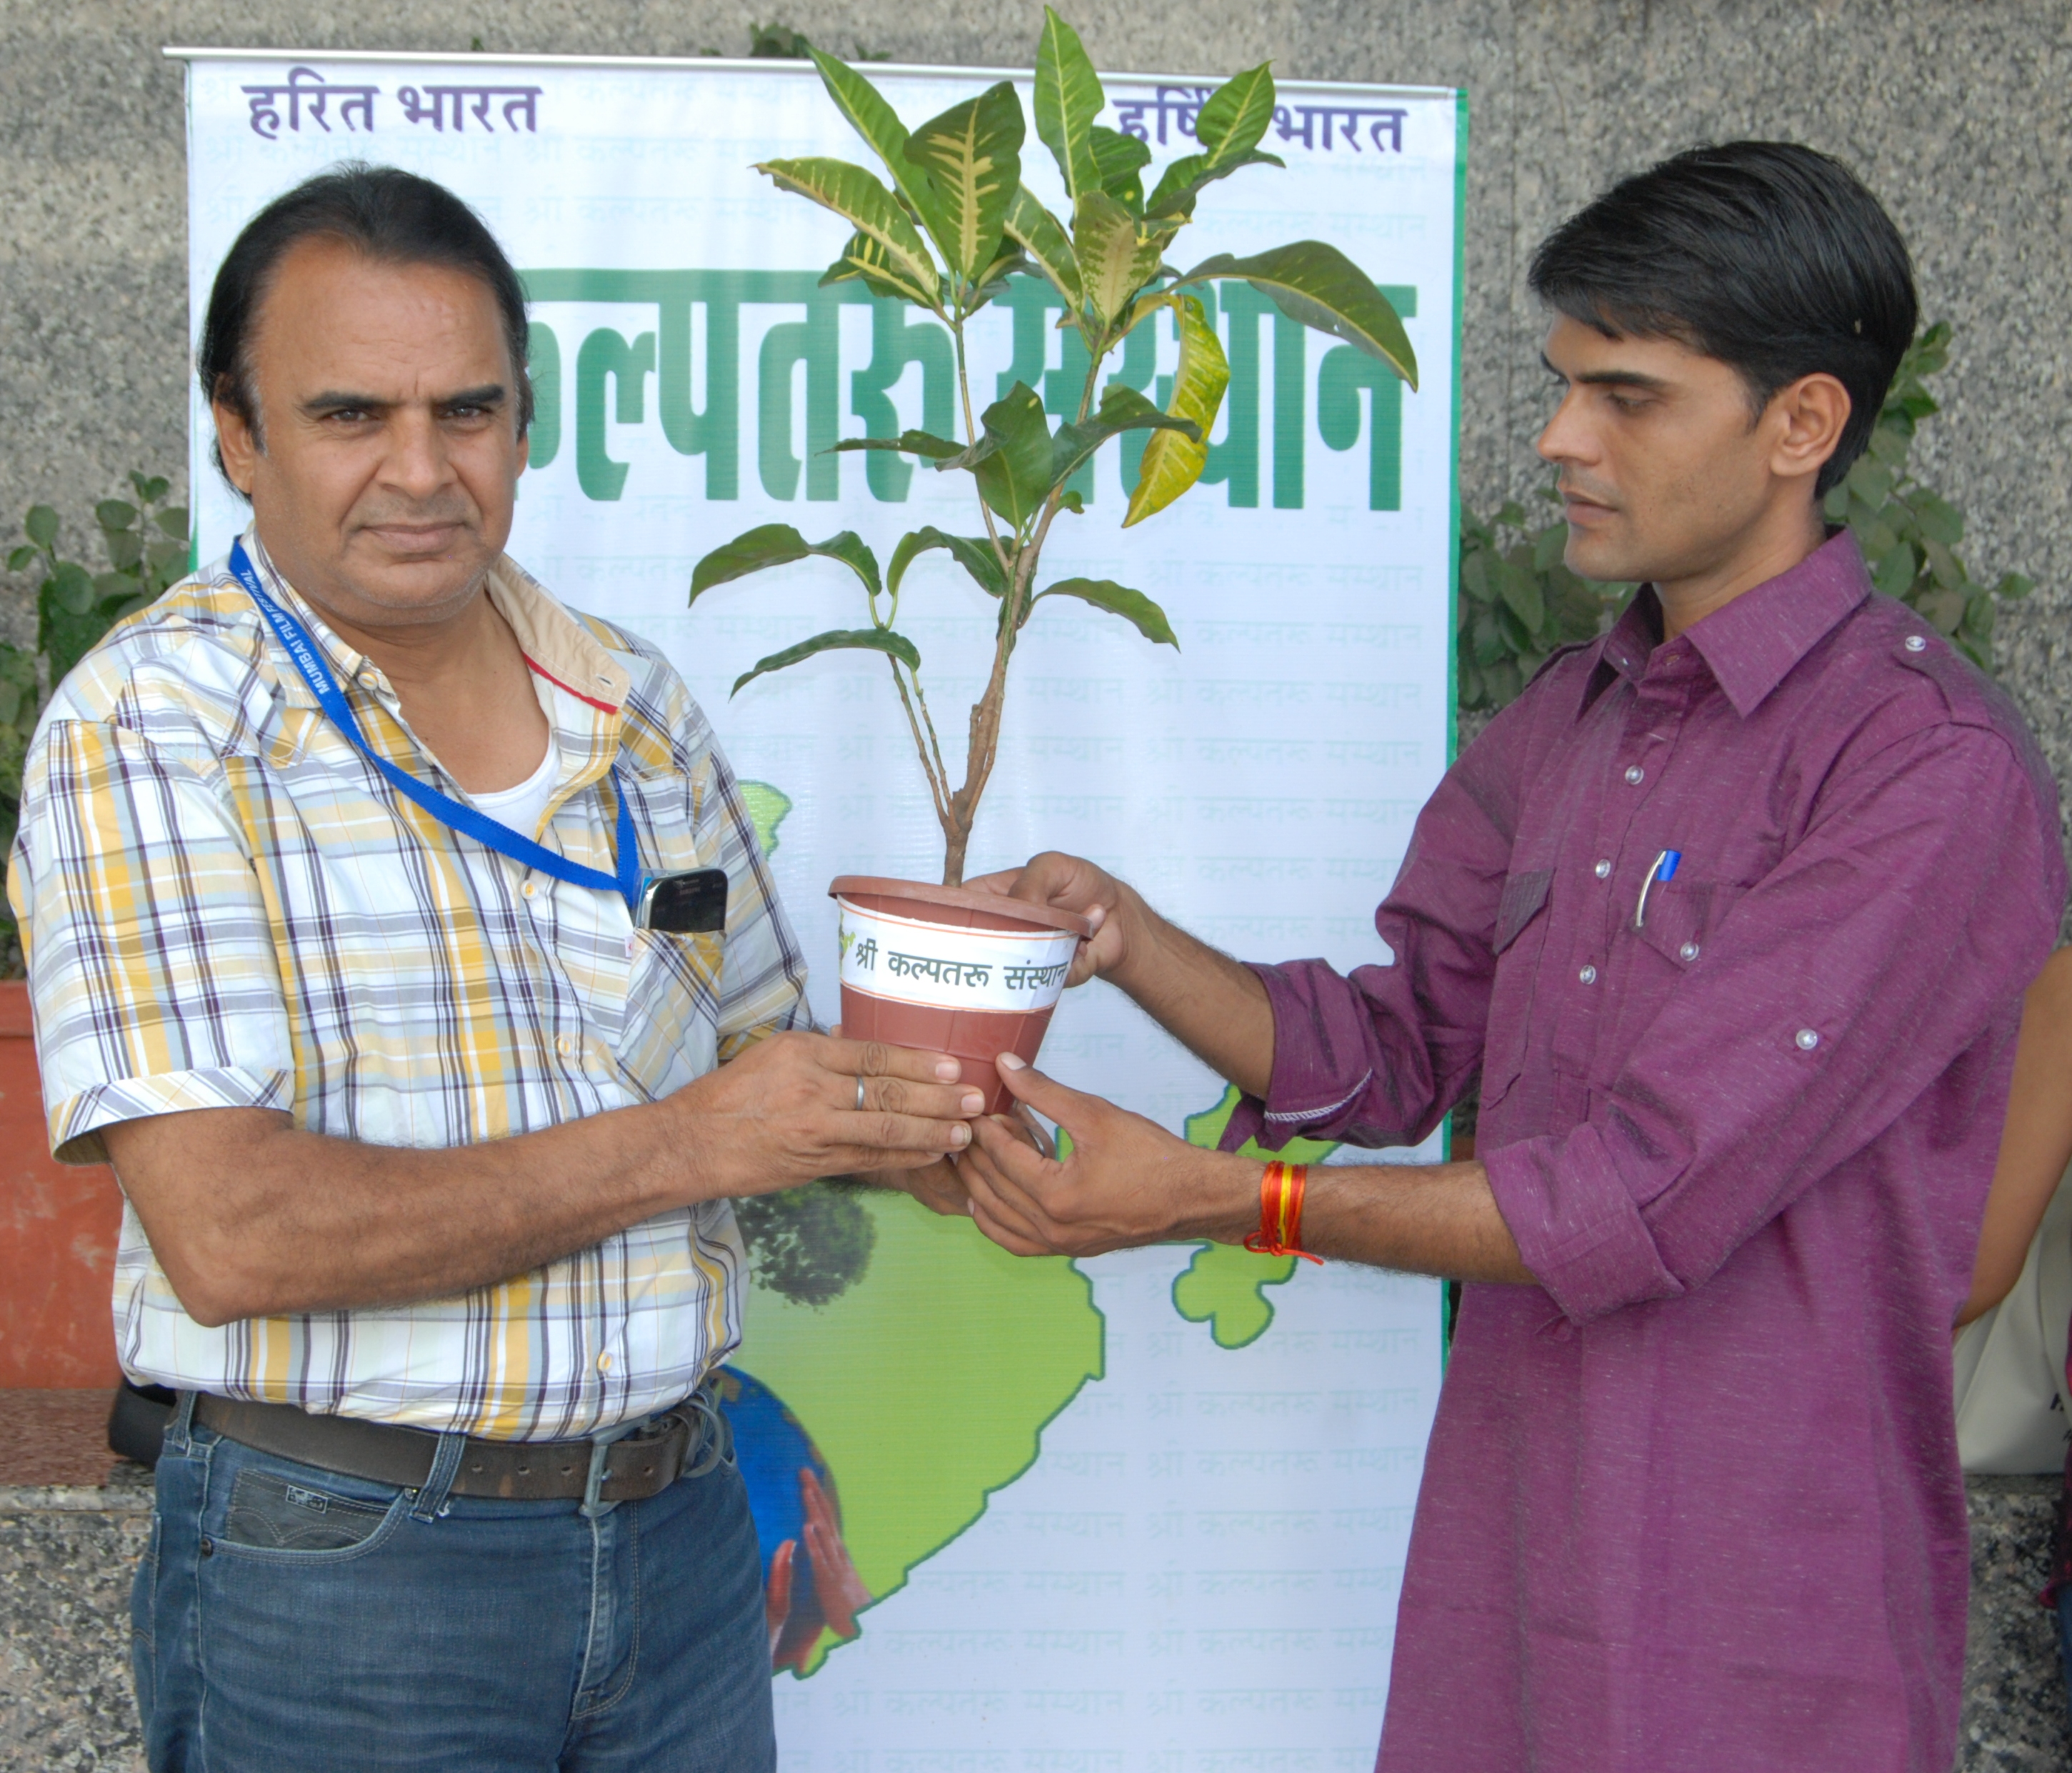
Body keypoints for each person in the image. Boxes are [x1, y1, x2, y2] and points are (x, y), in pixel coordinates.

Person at [952, 141, 2068, 1772]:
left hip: (1766, 1620)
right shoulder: (1572, 716)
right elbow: (1390, 1049)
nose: (1560, 438)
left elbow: (1642, 1193)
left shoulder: (1921, 767)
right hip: (1513, 1586)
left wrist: (1216, 1197)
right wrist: (1123, 937)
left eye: (1625, 395)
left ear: (1800, 424)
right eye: (1564, 387)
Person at [5, 164, 982, 1773]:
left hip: (677, 1537)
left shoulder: (633, 704)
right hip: (347, 1572)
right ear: (237, 434)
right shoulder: (154, 727)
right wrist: (689, 1144)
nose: (421, 469)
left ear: (524, 422)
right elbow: (231, 1233)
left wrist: (953, 1092)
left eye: (466, 410)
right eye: (349, 415)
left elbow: (763, 1068)